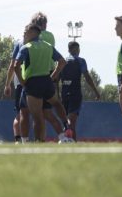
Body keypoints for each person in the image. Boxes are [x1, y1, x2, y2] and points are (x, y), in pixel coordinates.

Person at [14, 23, 70, 143]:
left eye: (26, 31)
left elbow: (16, 65)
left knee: (37, 117)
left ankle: (34, 142)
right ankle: (66, 124)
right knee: (56, 103)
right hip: (46, 81)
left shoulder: (26, 47)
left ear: (33, 33)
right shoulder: (48, 46)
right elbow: (62, 62)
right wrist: (52, 77)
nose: (24, 34)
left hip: (32, 83)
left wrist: (23, 82)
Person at [32, 12, 66, 140]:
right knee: (48, 109)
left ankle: (40, 139)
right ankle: (64, 132)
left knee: (39, 113)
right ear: (45, 24)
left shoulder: (36, 36)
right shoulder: (50, 36)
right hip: (52, 73)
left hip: (38, 74)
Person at [59, 41, 100, 141]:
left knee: (69, 122)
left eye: (77, 49)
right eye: (76, 49)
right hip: (75, 94)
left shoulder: (61, 61)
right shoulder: (80, 61)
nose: (77, 51)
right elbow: (87, 77)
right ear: (70, 50)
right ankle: (71, 143)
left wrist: (57, 95)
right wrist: (96, 91)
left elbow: (56, 80)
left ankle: (71, 143)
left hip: (64, 94)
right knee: (71, 121)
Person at [4, 39, 30, 143]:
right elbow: (12, 66)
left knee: (33, 113)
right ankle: (18, 140)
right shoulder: (20, 44)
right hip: (21, 83)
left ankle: (25, 140)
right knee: (20, 114)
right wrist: (7, 85)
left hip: (32, 82)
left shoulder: (38, 43)